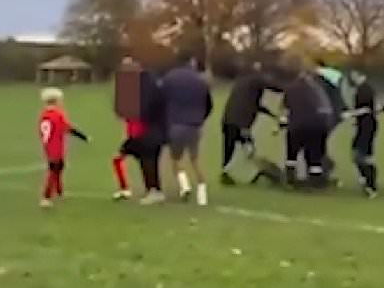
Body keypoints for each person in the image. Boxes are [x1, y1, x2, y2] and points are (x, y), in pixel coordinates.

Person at [112, 59, 168, 205]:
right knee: (140, 158)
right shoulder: (139, 85)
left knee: (148, 159)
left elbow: (145, 108)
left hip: (149, 130)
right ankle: (149, 189)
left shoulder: (146, 86)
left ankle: (154, 190)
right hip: (140, 131)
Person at [162, 53, 213, 205]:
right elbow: (209, 104)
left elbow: (161, 99)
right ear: (191, 62)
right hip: (195, 125)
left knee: (175, 159)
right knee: (195, 159)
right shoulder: (201, 81)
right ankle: (202, 194)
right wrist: (200, 118)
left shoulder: (169, 78)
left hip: (176, 124)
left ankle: (185, 186)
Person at [220, 61, 280, 185]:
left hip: (228, 119)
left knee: (229, 148)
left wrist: (271, 114)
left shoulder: (242, 82)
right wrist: (290, 87)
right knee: (248, 148)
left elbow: (254, 105)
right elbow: (275, 87)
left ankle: (226, 173)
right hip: (241, 122)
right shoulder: (256, 79)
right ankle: (257, 173)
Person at [282, 70, 335, 188]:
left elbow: (286, 110)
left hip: (298, 126)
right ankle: (316, 182)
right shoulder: (317, 89)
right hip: (319, 126)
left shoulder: (291, 89)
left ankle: (290, 180)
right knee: (315, 156)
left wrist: (282, 123)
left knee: (292, 154)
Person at [38, 88, 90, 208]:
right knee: (54, 170)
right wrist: (83, 137)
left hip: (48, 146)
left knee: (59, 167)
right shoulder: (58, 114)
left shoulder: (44, 115)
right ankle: (46, 197)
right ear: (56, 101)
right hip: (56, 146)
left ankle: (59, 191)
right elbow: (68, 128)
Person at [346, 70, 378, 199]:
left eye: (354, 75)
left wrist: (352, 114)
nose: (352, 78)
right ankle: (367, 181)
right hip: (366, 125)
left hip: (367, 126)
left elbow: (367, 108)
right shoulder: (363, 88)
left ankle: (370, 184)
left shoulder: (365, 89)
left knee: (361, 154)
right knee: (361, 153)